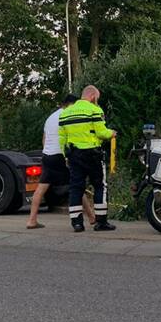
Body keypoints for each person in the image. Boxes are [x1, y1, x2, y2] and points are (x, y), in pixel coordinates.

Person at [25, 94, 96, 229]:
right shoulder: (69, 115)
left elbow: (44, 139)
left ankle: (32, 220)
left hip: (47, 155)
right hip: (61, 156)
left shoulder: (50, 118)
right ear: (71, 104)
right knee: (77, 185)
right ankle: (91, 217)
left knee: (41, 188)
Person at [58, 85, 116, 232]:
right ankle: (101, 222)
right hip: (93, 154)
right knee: (99, 186)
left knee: (76, 188)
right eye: (97, 98)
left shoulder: (65, 113)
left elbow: (62, 138)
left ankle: (77, 223)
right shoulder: (95, 110)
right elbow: (101, 133)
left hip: (74, 155)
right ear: (93, 96)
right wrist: (112, 133)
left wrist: (66, 156)